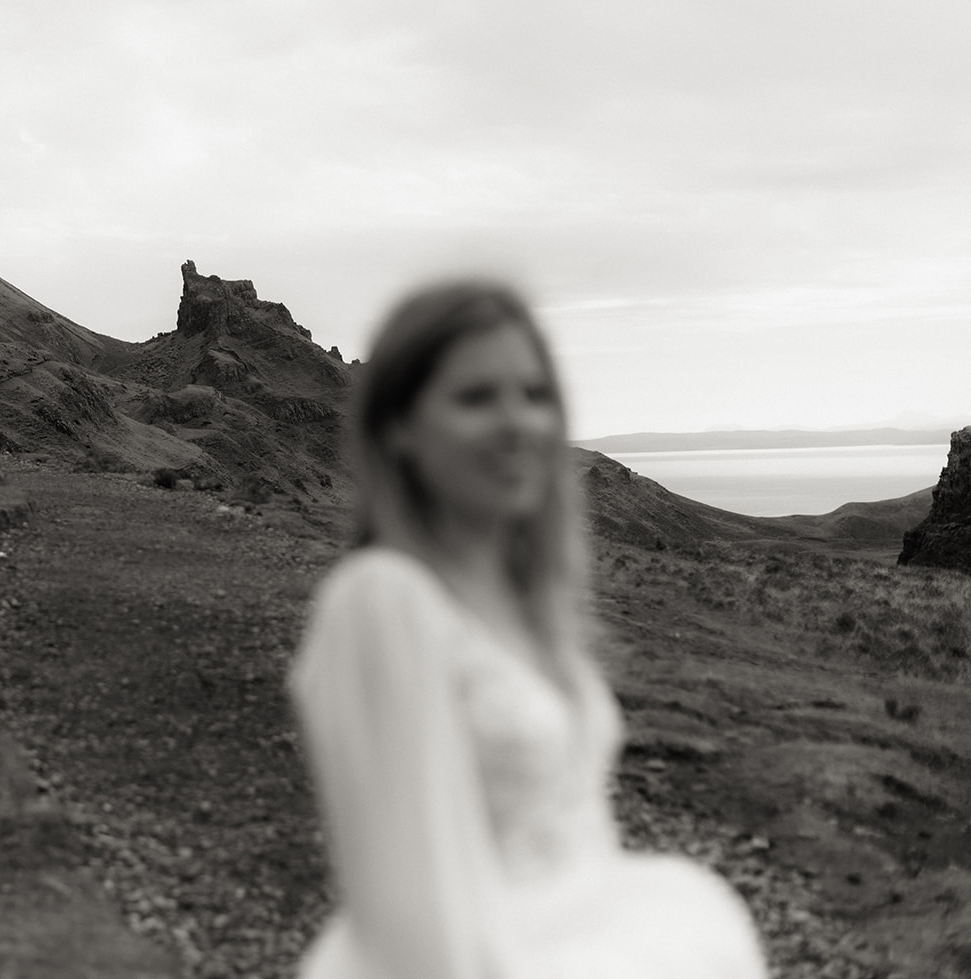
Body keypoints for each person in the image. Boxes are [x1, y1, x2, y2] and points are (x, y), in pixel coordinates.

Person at [289, 280, 767, 979]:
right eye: (476, 397)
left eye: (535, 395)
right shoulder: (382, 600)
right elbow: (408, 918)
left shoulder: (524, 599)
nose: (518, 423)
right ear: (399, 428)